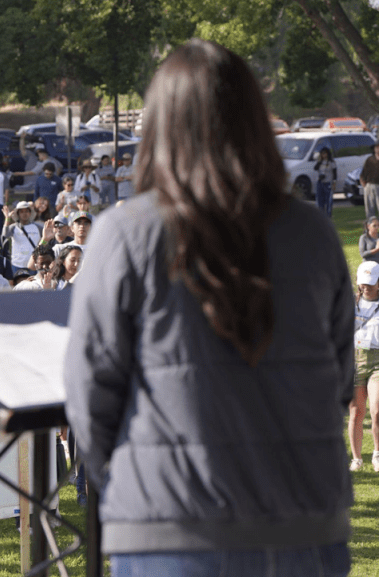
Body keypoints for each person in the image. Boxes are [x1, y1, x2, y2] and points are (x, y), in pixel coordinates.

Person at [64, 39, 354, 576]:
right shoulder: (314, 234)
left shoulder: (126, 235)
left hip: (175, 526)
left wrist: (138, 485)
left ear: (160, 125)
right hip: (301, 522)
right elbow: (337, 382)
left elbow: (89, 397)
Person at [351, 261, 379, 472]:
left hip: (378, 360)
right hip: (355, 359)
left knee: (376, 411)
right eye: (363, 283)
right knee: (356, 412)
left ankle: (377, 454)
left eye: (371, 283)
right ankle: (357, 458)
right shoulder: (351, 303)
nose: (366, 287)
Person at [315, 147, 337, 217]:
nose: (323, 155)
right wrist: (319, 161)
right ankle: (320, 215)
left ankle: (328, 215)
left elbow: (335, 173)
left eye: (325, 153)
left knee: (328, 201)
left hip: (328, 183)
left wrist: (334, 183)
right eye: (322, 154)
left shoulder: (331, 162)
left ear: (327, 154)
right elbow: (315, 168)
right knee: (319, 200)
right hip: (320, 182)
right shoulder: (320, 162)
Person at [361, 142, 379, 221]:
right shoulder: (370, 159)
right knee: (369, 208)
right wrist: (364, 184)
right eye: (376, 147)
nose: (377, 149)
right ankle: (370, 226)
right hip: (370, 185)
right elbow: (363, 172)